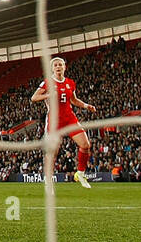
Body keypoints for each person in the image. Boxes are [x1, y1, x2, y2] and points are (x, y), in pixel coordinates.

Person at [31, 56, 97, 188]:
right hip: (55, 121)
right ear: (52, 68)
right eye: (55, 65)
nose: (58, 67)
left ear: (64, 67)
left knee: (85, 144)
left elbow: (73, 100)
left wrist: (86, 106)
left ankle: (80, 173)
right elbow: (34, 97)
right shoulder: (48, 82)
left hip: (69, 118)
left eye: (60, 64)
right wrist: (48, 95)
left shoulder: (70, 83)